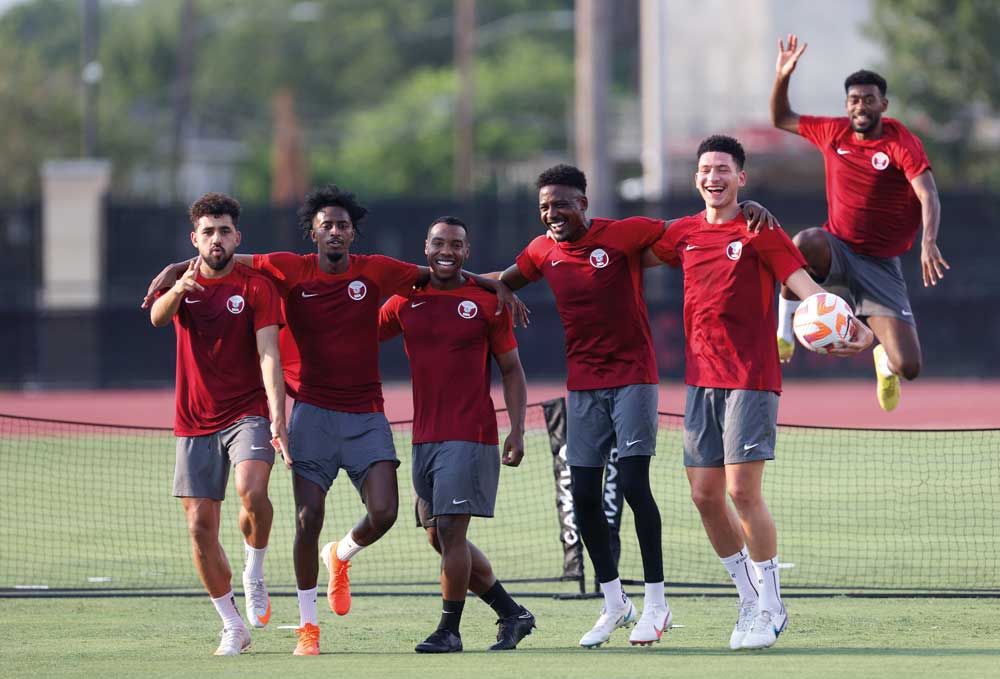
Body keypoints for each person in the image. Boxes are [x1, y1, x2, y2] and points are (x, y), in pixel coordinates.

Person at [143, 185, 523, 656]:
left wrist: (493, 281)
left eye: (343, 226)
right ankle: (309, 627)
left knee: (386, 513)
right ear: (314, 234)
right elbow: (226, 258)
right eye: (327, 226)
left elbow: (440, 273)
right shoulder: (288, 267)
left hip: (367, 414)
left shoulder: (378, 271)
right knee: (309, 518)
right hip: (313, 416)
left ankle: (340, 555)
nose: (336, 232)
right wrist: (177, 270)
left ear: (352, 233)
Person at [644, 135, 873, 650]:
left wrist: (853, 328)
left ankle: (771, 605)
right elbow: (630, 253)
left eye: (723, 169)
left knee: (740, 491)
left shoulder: (761, 230)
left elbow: (808, 291)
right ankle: (747, 596)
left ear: (740, 178)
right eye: (705, 169)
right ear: (696, 177)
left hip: (751, 377)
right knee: (704, 497)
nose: (713, 177)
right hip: (701, 381)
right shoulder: (681, 233)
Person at [378, 216, 535, 653]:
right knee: (439, 536)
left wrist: (517, 429)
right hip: (424, 436)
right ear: (425, 247)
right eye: (439, 243)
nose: (447, 251)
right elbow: (362, 335)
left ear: (467, 252)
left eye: (457, 245)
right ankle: (512, 613)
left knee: (449, 529)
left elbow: (512, 371)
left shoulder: (487, 303)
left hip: (471, 433)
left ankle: (449, 631)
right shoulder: (404, 300)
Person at [770, 34, 948, 412]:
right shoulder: (832, 131)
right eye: (854, 100)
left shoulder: (901, 142)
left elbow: (928, 193)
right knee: (803, 242)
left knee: (910, 367)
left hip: (880, 266)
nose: (861, 106)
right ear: (846, 105)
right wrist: (783, 76)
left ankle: (884, 362)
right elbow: (780, 117)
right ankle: (784, 330)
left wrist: (928, 241)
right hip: (837, 248)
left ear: (883, 104)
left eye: (869, 100)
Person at [149, 192, 288, 656]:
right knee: (199, 528)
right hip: (193, 420)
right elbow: (155, 317)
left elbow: (270, 353)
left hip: (246, 412)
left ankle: (254, 569)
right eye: (207, 231)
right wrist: (176, 291)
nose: (216, 239)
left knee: (254, 492)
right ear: (195, 238)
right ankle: (232, 625)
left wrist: (277, 416)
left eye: (224, 230)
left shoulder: (256, 287)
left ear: (237, 237)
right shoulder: (181, 284)